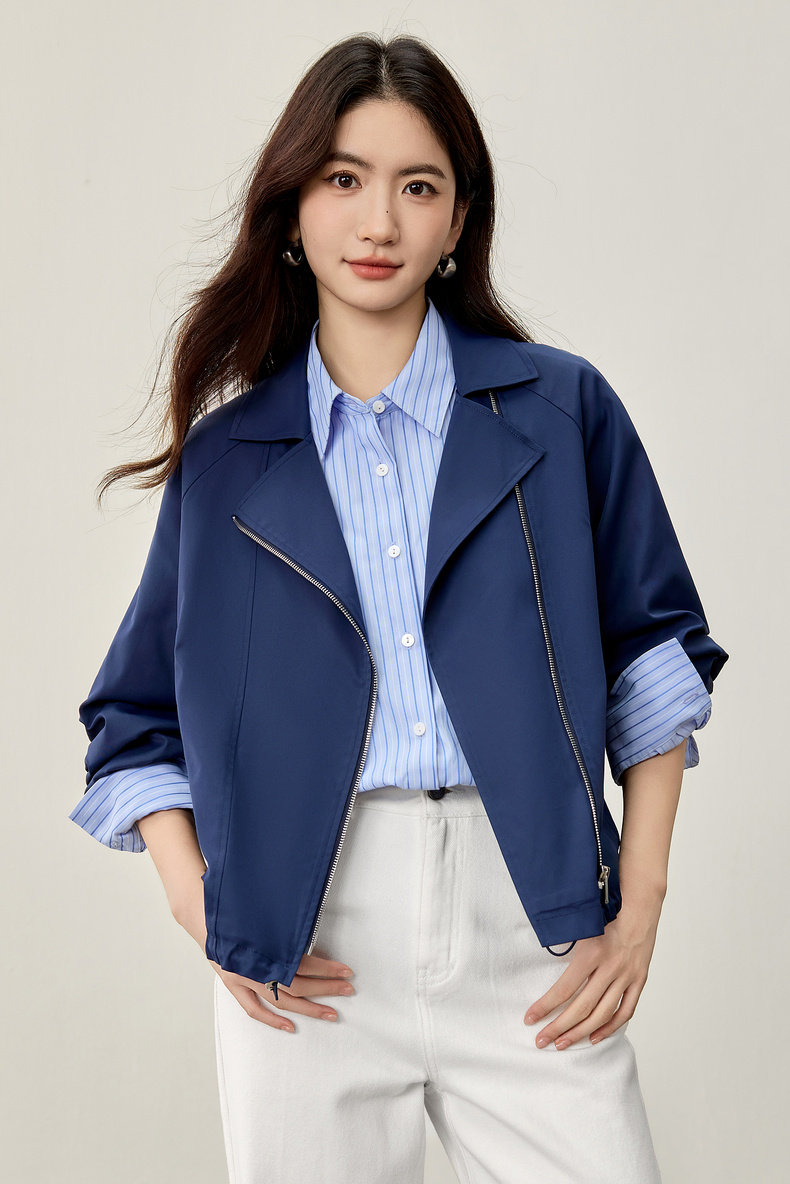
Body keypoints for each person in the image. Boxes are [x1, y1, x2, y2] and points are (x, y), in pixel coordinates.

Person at [69, 32, 728, 1184]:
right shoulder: (227, 462)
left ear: (459, 218)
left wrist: (641, 903)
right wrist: (205, 907)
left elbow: (650, 657)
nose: (378, 221)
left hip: (532, 915)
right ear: (292, 209)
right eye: (344, 178)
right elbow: (134, 718)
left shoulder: (561, 411)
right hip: (308, 939)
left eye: (417, 186)